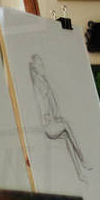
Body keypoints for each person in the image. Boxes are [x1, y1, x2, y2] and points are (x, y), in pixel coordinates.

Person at [30, 53, 90, 181]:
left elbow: (52, 104)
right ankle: (83, 159)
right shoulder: (38, 84)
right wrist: (49, 118)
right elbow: (41, 107)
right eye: (40, 64)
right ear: (35, 68)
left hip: (51, 121)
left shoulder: (43, 81)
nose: (42, 66)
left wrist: (55, 117)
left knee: (68, 137)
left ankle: (79, 174)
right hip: (47, 126)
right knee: (66, 125)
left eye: (42, 63)